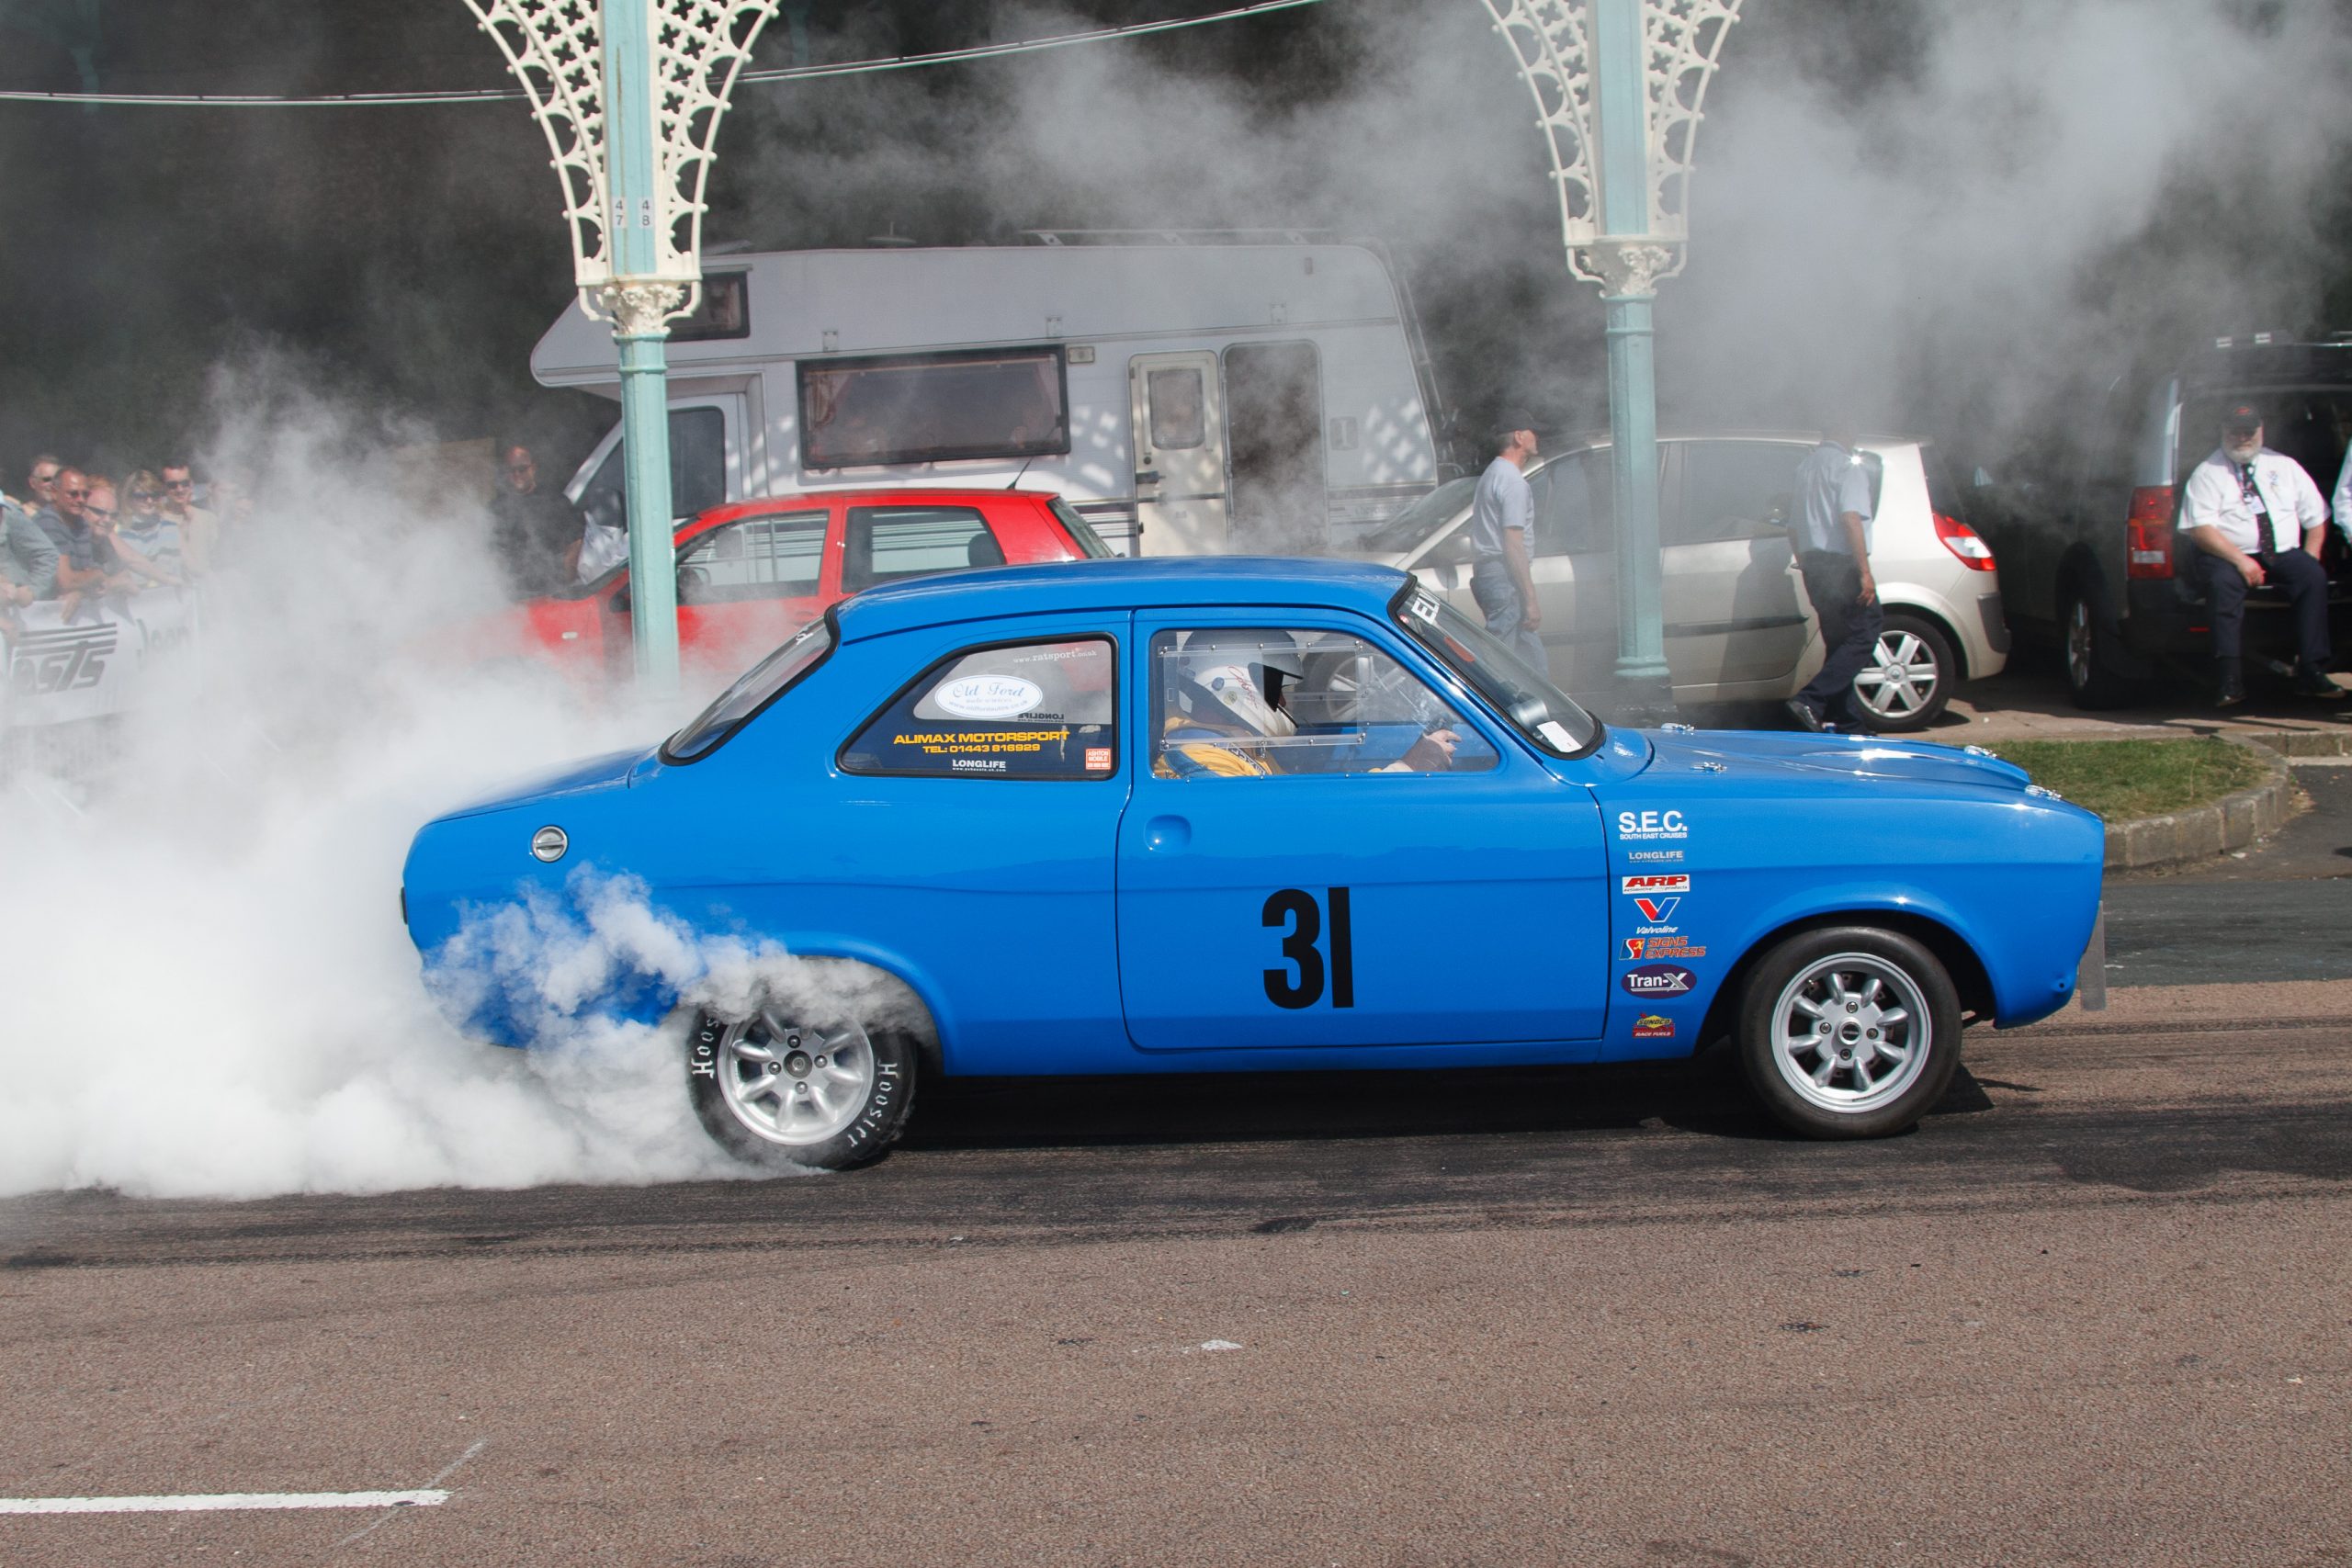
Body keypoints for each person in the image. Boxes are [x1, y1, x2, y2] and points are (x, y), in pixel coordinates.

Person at [2182, 403, 2339, 706]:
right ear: (2223, 431)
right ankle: (2229, 679)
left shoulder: (2286, 467)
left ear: (2261, 430)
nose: (2242, 437)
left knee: (2312, 576)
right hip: (2227, 553)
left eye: (2248, 431)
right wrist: (2241, 560)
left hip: (2281, 551)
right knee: (2222, 585)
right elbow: (2200, 529)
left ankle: (2312, 669)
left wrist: (2311, 554)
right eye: (2235, 431)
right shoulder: (2207, 472)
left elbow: (2317, 517)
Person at [1784, 426, 1883, 732]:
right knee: (1865, 633)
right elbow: (1850, 517)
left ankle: (1847, 722)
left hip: (1814, 563)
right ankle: (1811, 700)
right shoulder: (1847, 467)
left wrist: (1805, 564)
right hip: (1841, 564)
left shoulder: (1806, 468)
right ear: (1847, 433)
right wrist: (1864, 571)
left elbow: (1792, 527)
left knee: (1839, 641)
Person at [1467, 409, 1547, 675]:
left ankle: (1544, 707)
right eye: (1532, 431)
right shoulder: (1512, 482)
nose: (1537, 436)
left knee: (1531, 661)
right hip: (1504, 576)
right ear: (1519, 436)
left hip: (1492, 573)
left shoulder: (1493, 473)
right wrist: (1531, 598)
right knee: (1495, 665)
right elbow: (1513, 542)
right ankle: (1476, 710)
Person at [487, 443, 580, 597]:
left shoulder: (556, 501)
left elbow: (575, 541)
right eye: (511, 470)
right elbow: (492, 552)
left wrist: (566, 579)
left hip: (553, 591)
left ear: (533, 468)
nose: (517, 474)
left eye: (522, 469)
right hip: (514, 595)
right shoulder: (496, 508)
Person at [36, 467, 135, 611]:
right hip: (42, 613)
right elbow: (66, 581)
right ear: (54, 492)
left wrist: (84, 588)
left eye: (85, 494)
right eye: (73, 494)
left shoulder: (81, 523)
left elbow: (88, 574)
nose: (80, 499)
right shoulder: (47, 522)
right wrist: (99, 577)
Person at [111, 470, 185, 585]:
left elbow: (187, 567)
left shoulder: (170, 528)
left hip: (170, 595)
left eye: (154, 495)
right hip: (136, 599)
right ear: (128, 498)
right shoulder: (117, 532)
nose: (149, 501)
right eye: (141, 496)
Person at [158, 460, 219, 576]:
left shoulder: (208, 518)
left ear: (191, 484)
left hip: (207, 585)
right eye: (172, 485)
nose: (180, 489)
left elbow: (218, 556)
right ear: (163, 487)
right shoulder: (158, 520)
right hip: (173, 587)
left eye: (184, 483)